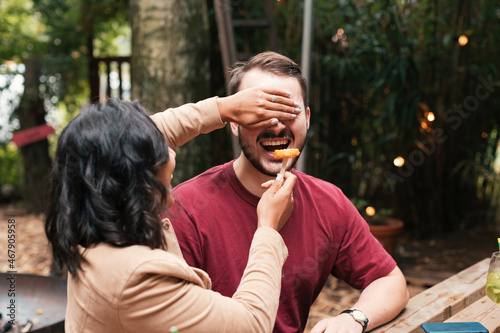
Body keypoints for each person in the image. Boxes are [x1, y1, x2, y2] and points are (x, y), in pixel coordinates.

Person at [167, 51, 410, 333]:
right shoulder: (185, 208)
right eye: (262, 111)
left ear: (306, 118)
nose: (276, 124)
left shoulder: (328, 202)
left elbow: (390, 281)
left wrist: (352, 319)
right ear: (234, 122)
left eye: (289, 111)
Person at [45, 89, 300, 332]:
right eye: (160, 147)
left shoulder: (94, 224)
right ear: (137, 175)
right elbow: (251, 325)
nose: (169, 146)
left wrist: (223, 108)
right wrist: (267, 228)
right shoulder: (135, 280)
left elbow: (141, 137)